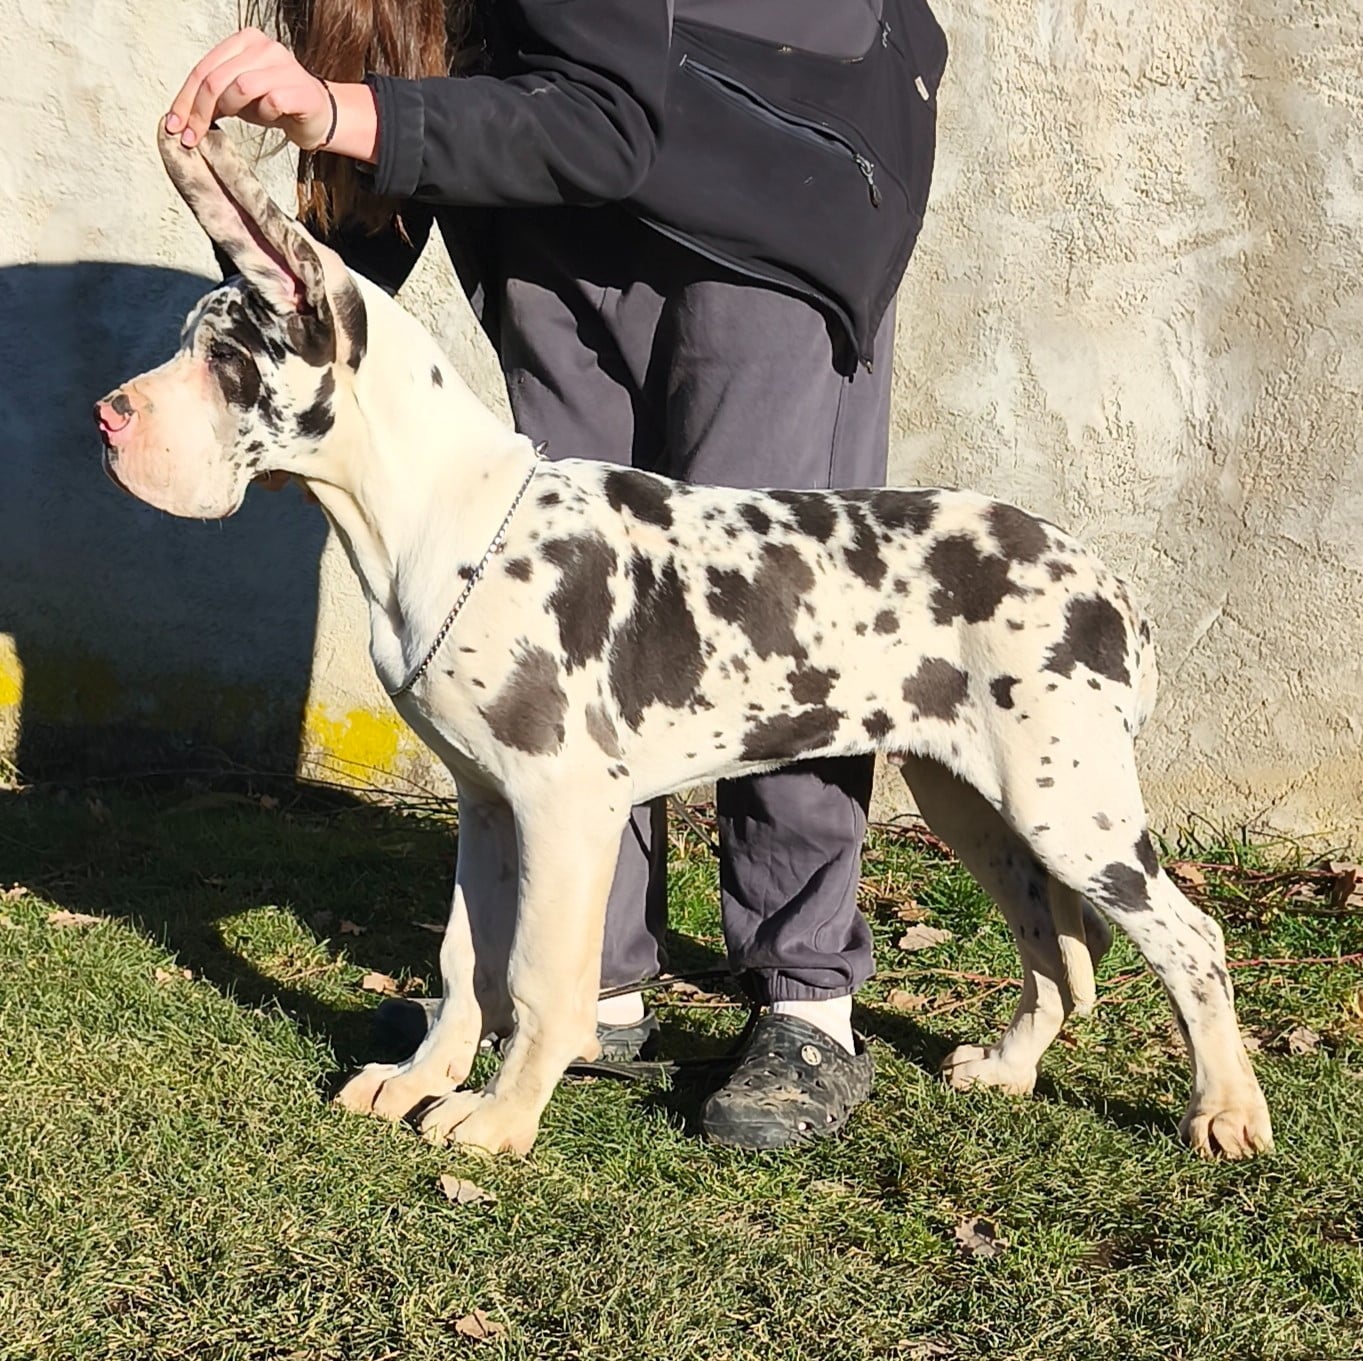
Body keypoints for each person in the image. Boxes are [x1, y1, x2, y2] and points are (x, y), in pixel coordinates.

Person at [168, 0, 947, 1149]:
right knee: (573, 635)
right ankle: (590, 991)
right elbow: (379, 201)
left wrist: (344, 109)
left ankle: (805, 998)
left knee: (775, 618)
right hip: (548, 222)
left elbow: (608, 116)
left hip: (766, 186)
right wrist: (286, 300)